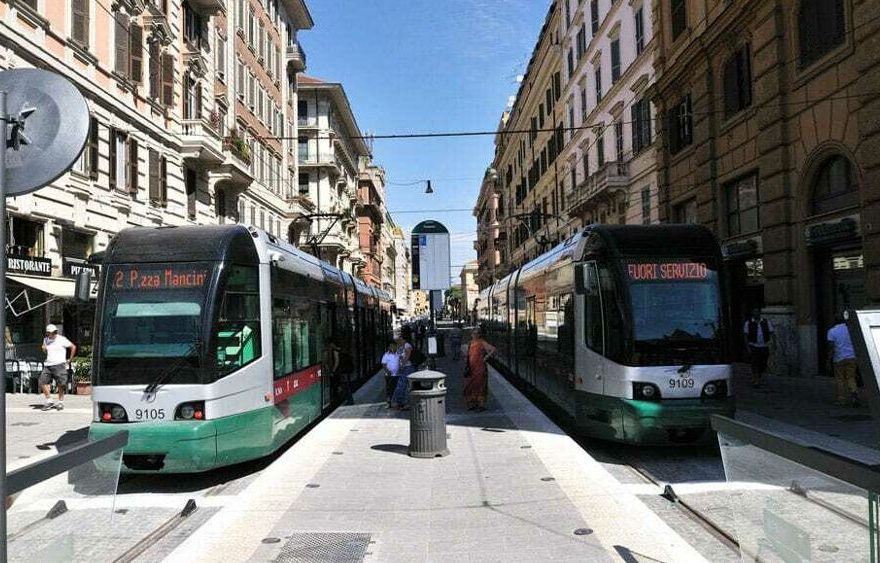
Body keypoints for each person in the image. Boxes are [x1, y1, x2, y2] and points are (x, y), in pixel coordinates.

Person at [40, 324, 76, 411]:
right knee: (42, 381)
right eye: (49, 333)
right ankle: (49, 400)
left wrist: (70, 359)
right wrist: (43, 348)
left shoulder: (61, 339)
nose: (52, 334)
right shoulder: (46, 340)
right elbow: (46, 351)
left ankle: (60, 402)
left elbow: (73, 347)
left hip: (59, 364)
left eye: (54, 332)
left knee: (61, 384)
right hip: (48, 364)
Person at [827, 312, 859, 407]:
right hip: (852, 357)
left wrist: (828, 360)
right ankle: (854, 394)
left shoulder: (832, 331)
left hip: (839, 358)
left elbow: (831, 348)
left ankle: (841, 399)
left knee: (840, 379)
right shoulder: (851, 330)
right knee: (851, 377)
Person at [464, 326, 496, 411]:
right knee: (471, 385)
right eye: (473, 333)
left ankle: (481, 405)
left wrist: (485, 358)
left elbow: (492, 349)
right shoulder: (470, 343)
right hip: (471, 367)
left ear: (479, 334)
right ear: (471, 334)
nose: (475, 335)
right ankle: (473, 403)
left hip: (480, 367)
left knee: (480, 385)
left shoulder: (482, 342)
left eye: (477, 333)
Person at [743, 309, 773, 388]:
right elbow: (746, 335)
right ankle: (756, 380)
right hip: (754, 345)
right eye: (754, 312)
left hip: (764, 345)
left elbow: (771, 333)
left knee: (763, 363)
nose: (756, 314)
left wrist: (773, 344)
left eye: (757, 312)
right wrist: (747, 347)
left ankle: (758, 376)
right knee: (755, 362)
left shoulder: (766, 322)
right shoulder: (748, 323)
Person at [392, 332, 414, 409]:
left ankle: (403, 402)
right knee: (402, 384)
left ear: (403, 338)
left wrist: (402, 365)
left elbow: (407, 357)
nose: (399, 340)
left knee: (403, 384)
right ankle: (400, 401)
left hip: (408, 368)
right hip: (403, 368)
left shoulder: (407, 346)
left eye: (400, 338)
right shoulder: (401, 346)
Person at [381, 341, 400, 409]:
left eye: (393, 346)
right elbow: (384, 365)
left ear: (396, 346)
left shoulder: (399, 354)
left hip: (397, 375)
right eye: (390, 346)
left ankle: (398, 402)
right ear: (388, 347)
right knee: (389, 389)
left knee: (397, 389)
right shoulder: (386, 355)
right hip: (389, 375)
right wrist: (388, 371)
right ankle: (388, 403)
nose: (392, 347)